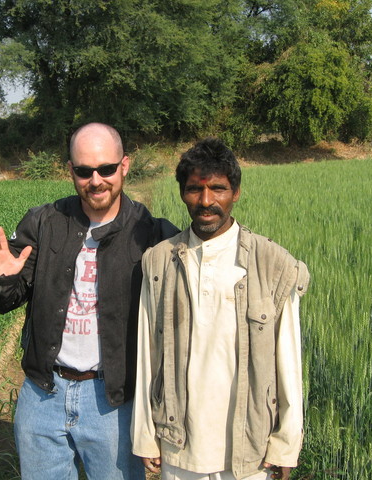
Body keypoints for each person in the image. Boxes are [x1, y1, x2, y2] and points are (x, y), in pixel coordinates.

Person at [0, 122, 178, 480]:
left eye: (106, 169)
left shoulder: (152, 233)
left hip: (114, 400)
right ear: (70, 171)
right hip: (43, 395)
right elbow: (7, 299)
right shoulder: (44, 222)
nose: (95, 180)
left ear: (124, 165)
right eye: (84, 171)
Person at [131, 138, 310, 480]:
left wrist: (286, 443)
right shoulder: (159, 261)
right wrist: (144, 436)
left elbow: (289, 361)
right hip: (178, 448)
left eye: (218, 188)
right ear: (182, 193)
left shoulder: (272, 264)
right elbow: (147, 353)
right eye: (195, 189)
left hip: (250, 454)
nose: (206, 201)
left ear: (236, 192)